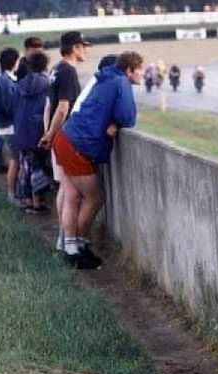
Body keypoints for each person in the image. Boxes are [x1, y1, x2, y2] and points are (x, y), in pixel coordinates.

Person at [52, 51, 143, 270]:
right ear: (129, 70)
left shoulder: (106, 78)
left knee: (73, 195)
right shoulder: (121, 82)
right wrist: (117, 123)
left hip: (66, 139)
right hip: (77, 145)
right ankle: (76, 248)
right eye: (139, 69)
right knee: (94, 198)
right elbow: (127, 116)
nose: (141, 73)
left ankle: (69, 247)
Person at [39, 31, 90, 252]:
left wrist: (47, 132)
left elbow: (48, 106)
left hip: (56, 134)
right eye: (83, 46)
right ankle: (65, 239)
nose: (85, 50)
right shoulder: (68, 71)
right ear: (74, 48)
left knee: (64, 188)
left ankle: (63, 237)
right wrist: (51, 134)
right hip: (65, 135)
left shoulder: (56, 69)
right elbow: (62, 107)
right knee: (70, 192)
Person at [14, 51, 52, 214]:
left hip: (21, 129)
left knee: (25, 165)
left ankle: (28, 200)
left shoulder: (20, 84)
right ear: (45, 65)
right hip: (38, 129)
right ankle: (38, 202)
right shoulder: (47, 83)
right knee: (38, 165)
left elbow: (13, 106)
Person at [0, 47, 21, 206]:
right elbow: (9, 105)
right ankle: (12, 195)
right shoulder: (5, 81)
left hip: (7, 127)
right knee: (16, 161)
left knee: (15, 160)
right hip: (9, 127)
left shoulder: (4, 79)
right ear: (13, 62)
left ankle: (14, 194)